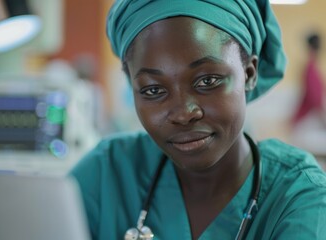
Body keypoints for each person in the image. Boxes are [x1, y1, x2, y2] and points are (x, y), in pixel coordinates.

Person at [70, 1, 326, 239]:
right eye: (153, 90)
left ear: (249, 73)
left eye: (207, 81)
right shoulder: (107, 172)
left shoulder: (299, 197)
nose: (182, 113)